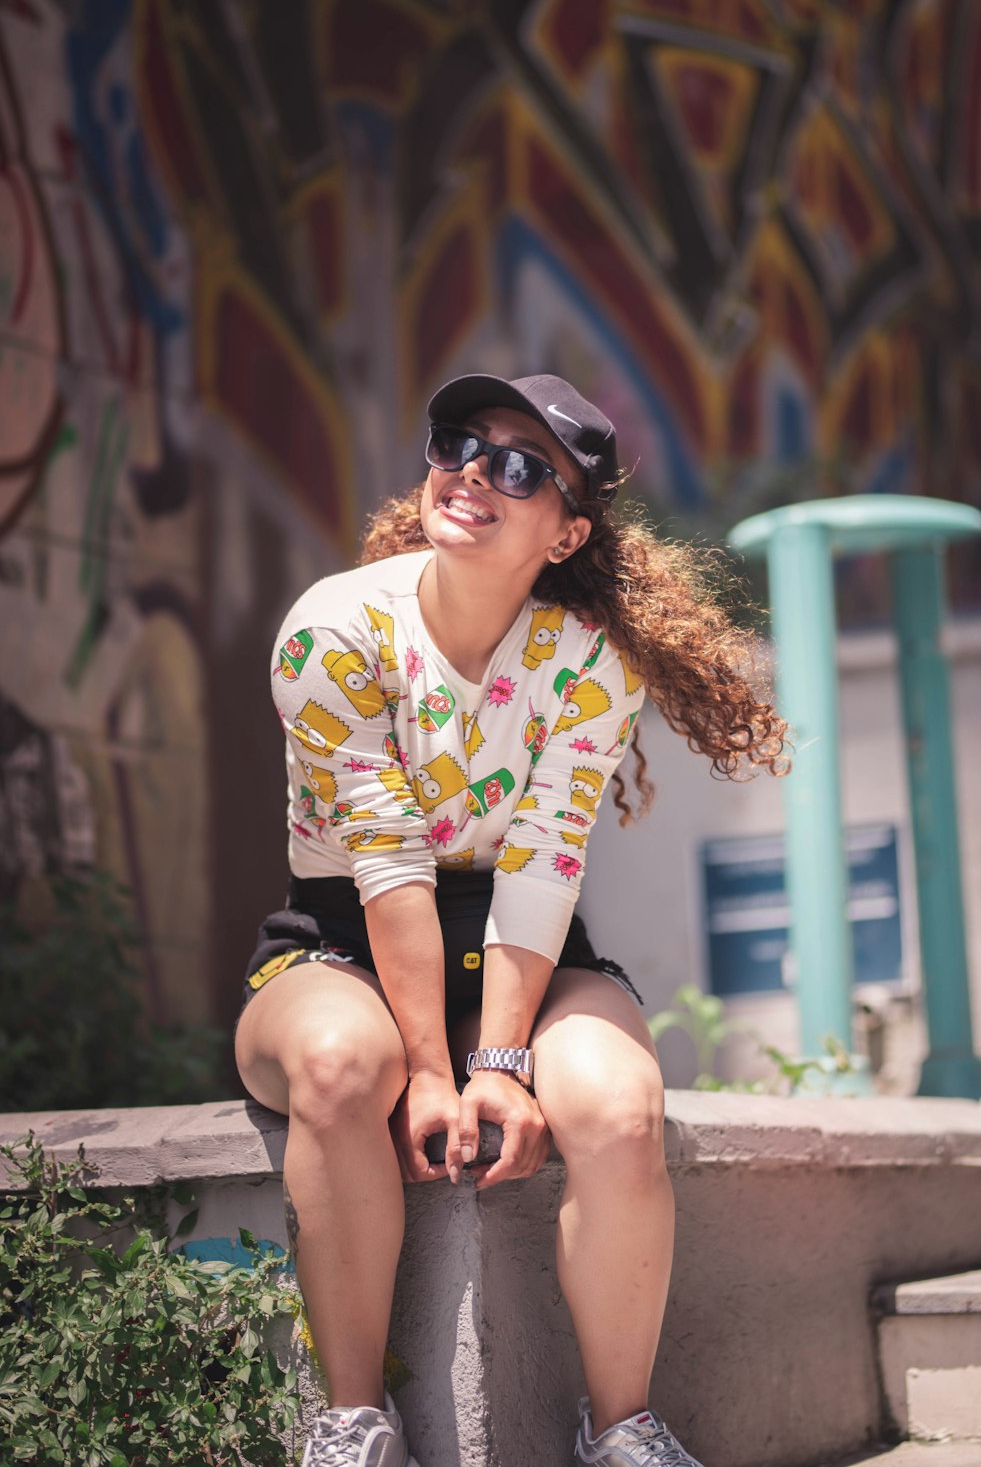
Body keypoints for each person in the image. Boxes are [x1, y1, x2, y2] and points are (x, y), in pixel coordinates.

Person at [235, 372, 787, 1467]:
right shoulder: (332, 630)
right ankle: (354, 1424)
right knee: (348, 1069)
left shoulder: (587, 660)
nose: (476, 471)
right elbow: (385, 864)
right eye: (459, 443)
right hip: (344, 932)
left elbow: (542, 867)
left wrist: (497, 1059)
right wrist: (434, 1074)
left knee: (620, 1108)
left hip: (518, 941)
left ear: (565, 530)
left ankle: (623, 1430)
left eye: (521, 465)